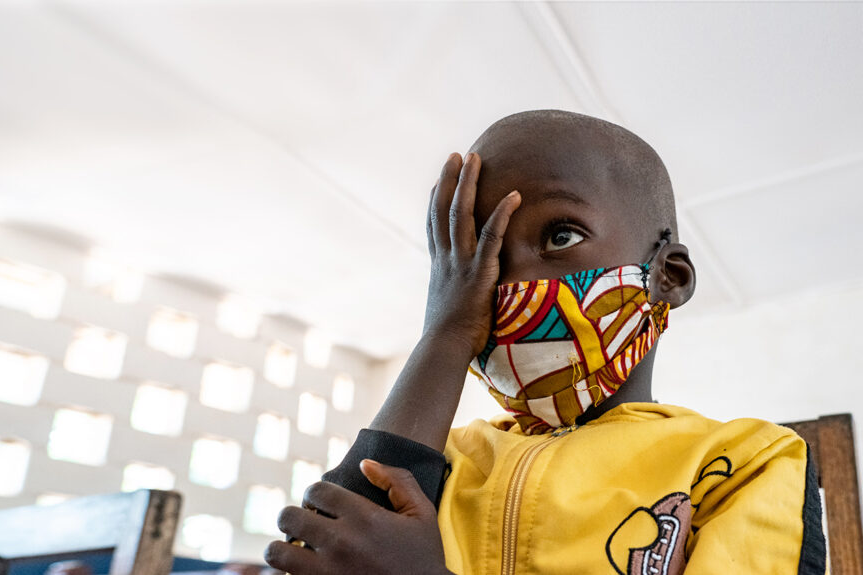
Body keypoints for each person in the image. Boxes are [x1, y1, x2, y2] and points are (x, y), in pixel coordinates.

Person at [263, 110, 826, 574]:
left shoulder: (747, 461)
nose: (508, 285)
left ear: (669, 278)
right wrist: (446, 333)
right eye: (479, 262)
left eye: (560, 236)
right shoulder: (443, 458)